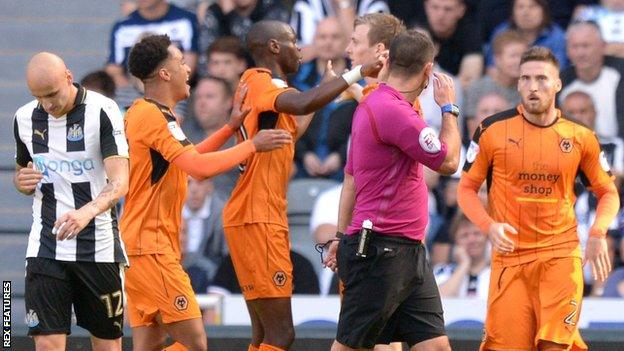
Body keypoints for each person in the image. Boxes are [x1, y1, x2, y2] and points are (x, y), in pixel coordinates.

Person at [120, 34, 293, 351]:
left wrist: (228, 129)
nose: (188, 69)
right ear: (165, 73)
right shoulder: (152, 116)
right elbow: (198, 168)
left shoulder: (146, 112)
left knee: (151, 343)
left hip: (142, 246)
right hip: (151, 247)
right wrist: (251, 145)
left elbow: (187, 160)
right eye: (181, 62)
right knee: (195, 343)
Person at [221, 20, 383, 351]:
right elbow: (301, 103)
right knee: (281, 335)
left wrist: (324, 88)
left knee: (263, 335)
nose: (301, 48)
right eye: (293, 41)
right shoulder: (263, 82)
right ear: (274, 47)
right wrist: (354, 74)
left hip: (251, 214)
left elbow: (294, 123)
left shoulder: (258, 86)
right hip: (258, 217)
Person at [457, 46, 620, 350]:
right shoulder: (491, 131)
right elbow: (465, 189)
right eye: (526, 79)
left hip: (560, 256)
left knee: (554, 346)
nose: (534, 86)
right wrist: (488, 226)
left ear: (558, 84)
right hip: (511, 259)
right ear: (517, 84)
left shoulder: (581, 136)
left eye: (542, 79)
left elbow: (608, 192)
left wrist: (598, 233)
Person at [324, 29, 461, 351]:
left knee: (435, 346)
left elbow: (352, 179)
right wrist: (449, 109)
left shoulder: (376, 103)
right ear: (428, 70)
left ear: (389, 61)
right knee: (351, 346)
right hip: (381, 250)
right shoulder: (393, 111)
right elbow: (449, 161)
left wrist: (341, 236)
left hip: (407, 249)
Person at [13, 52, 129, 351]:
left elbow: (119, 181)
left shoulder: (103, 110)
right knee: (47, 344)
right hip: (45, 246)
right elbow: (23, 173)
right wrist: (21, 183)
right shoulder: (24, 117)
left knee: (106, 345)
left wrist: (85, 213)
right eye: (39, 97)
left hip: (98, 246)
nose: (48, 104)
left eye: (52, 94)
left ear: (68, 77)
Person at [292, 17, 352, 180]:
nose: (328, 42)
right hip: (300, 167)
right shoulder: (296, 78)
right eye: (322, 37)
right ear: (314, 41)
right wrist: (304, 155)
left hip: (348, 168)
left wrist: (341, 156)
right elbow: (286, 123)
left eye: (334, 37)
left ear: (347, 42)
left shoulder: (359, 78)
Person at [107, 0, 199, 89]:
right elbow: (114, 71)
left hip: (175, 94)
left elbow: (188, 66)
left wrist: (163, 94)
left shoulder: (186, 20)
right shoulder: (122, 27)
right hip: (133, 97)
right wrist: (134, 97)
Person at [559, 20, 624, 140]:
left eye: (586, 46)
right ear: (567, 51)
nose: (580, 53)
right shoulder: (558, 84)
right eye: (575, 46)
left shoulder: (620, 73)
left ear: (603, 46)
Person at [485, 0, 569, 70]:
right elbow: (492, 69)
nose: (525, 13)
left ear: (544, 10)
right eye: (520, 7)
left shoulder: (556, 36)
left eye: (532, 7)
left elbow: (558, 71)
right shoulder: (501, 32)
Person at [182, 177, 228, 293]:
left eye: (199, 182)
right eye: (188, 183)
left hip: (212, 282)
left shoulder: (223, 215)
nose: (193, 189)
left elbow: (227, 257)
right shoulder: (168, 211)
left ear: (210, 187)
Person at [423, 0, 484, 87]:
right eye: (435, 7)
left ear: (461, 10)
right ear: (426, 7)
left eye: (448, 9)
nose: (440, 15)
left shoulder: (471, 34)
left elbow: (469, 82)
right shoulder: (416, 30)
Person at [434, 211, 490, 298]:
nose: (471, 240)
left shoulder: (498, 273)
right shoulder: (442, 271)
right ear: (455, 241)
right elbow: (438, 301)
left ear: (487, 237)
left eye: (477, 234)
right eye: (464, 235)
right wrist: (464, 265)